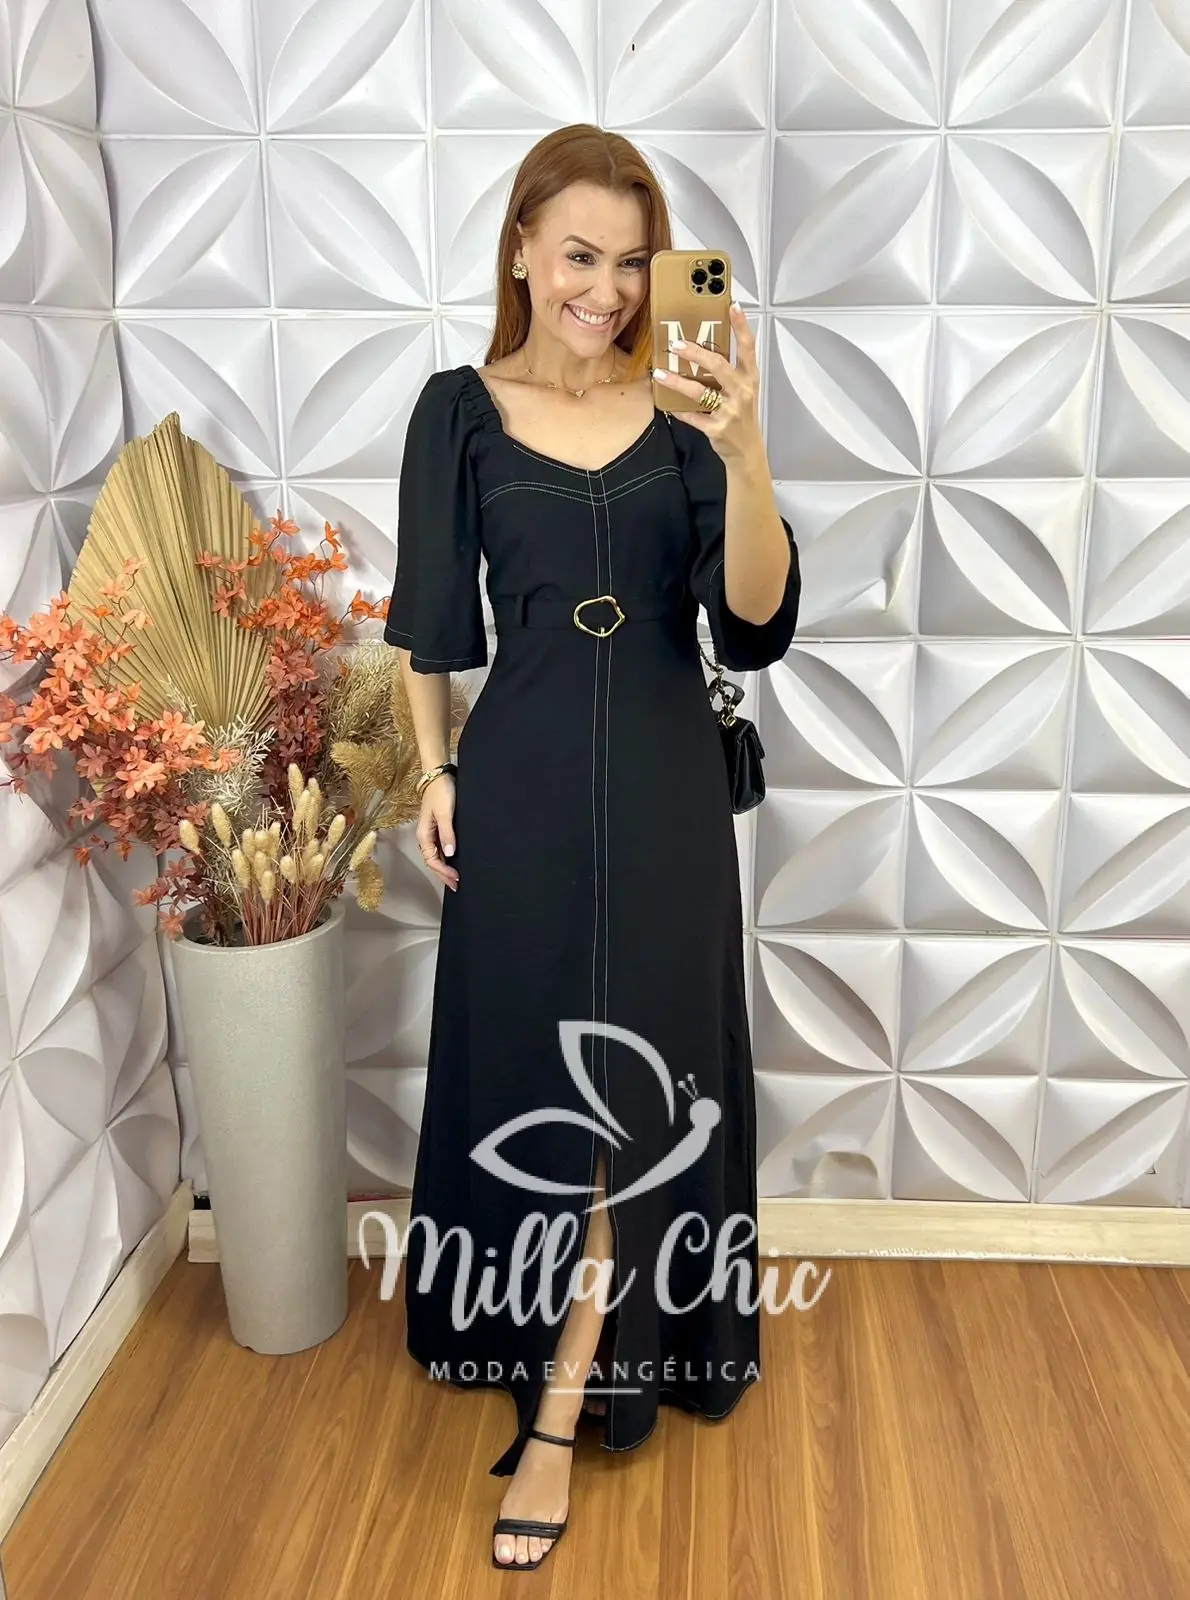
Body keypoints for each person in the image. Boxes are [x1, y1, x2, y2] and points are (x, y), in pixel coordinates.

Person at [384, 123, 800, 1572]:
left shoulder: (688, 413)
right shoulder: (457, 412)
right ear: (520, 249)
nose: (608, 290)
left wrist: (746, 452)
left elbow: (751, 621)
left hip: (668, 784)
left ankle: (565, 1404)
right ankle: (537, 1338)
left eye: (633, 264)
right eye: (579, 255)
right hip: (523, 786)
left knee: (649, 1081)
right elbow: (429, 628)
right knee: (531, 1064)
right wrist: (433, 770)